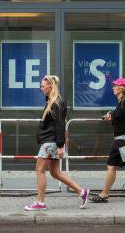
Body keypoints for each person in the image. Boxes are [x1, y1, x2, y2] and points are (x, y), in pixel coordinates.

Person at [24, 75, 90, 211]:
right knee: (55, 172)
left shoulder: (55, 104)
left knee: (39, 170)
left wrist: (60, 146)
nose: (41, 88)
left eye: (43, 86)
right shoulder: (53, 102)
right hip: (52, 141)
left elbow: (60, 125)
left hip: (50, 142)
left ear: (50, 86)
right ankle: (81, 191)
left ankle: (40, 202)